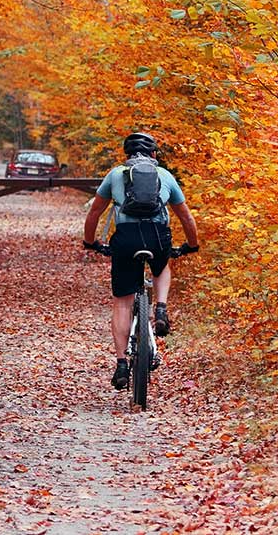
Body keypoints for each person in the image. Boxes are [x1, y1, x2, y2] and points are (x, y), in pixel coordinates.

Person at [81, 130, 200, 390]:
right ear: (153, 154)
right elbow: (186, 217)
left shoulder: (115, 175)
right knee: (162, 264)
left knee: (122, 303)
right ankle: (160, 307)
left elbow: (94, 213)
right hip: (157, 237)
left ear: (127, 154)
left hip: (125, 239)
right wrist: (192, 245)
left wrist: (90, 241)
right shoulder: (165, 176)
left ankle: (122, 362)